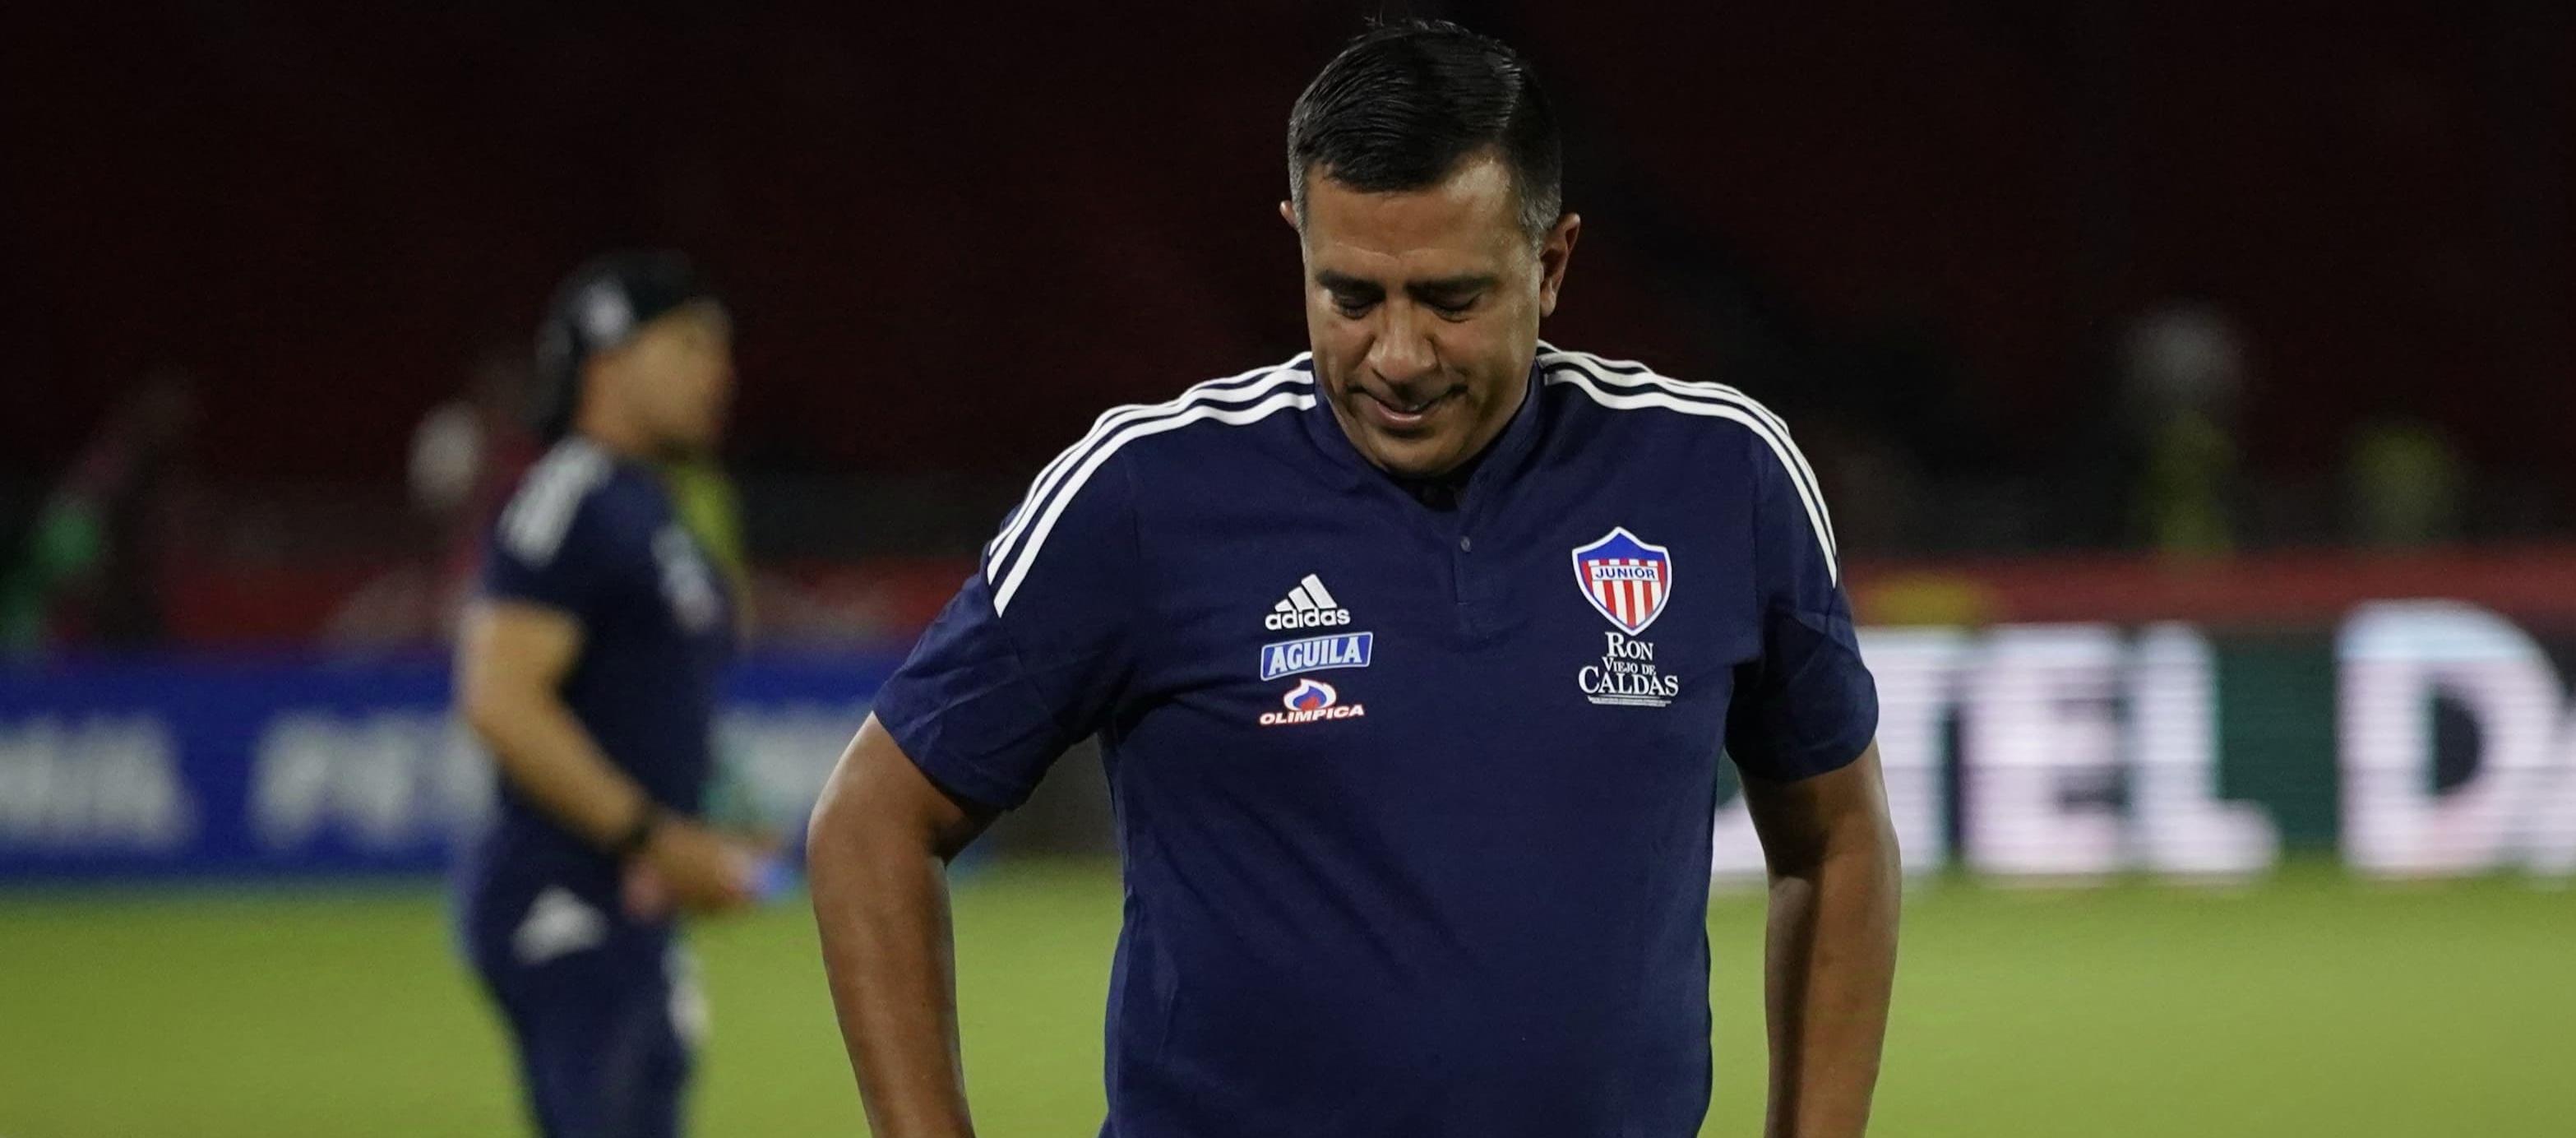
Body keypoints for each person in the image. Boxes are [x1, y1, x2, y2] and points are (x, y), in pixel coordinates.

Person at [808, 21, 1900, 1138]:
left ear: (1554, 263)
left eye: (1450, 299)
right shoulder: (1147, 494)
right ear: (1297, 245)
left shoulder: (1720, 478)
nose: (1398, 357)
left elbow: (1837, 837)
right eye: (1351, 296)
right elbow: (873, 820)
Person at [453, 250, 767, 1138]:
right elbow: (499, 700)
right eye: (693, 345)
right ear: (608, 358)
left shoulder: (656, 509)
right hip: (563, 898)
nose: (721, 372)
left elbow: (658, 702)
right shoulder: (569, 498)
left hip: (631, 906)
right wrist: (655, 837)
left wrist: (716, 819)